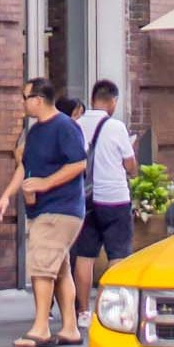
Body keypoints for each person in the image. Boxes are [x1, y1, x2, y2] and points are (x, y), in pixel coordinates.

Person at [0, 77, 86, 347]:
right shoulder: (35, 132)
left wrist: (45, 183)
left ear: (38, 99)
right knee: (60, 269)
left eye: (25, 97)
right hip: (45, 209)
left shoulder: (65, 127)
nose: (22, 103)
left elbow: (78, 163)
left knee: (41, 268)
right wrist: (6, 195)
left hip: (60, 208)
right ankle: (70, 328)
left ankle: (41, 328)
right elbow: (25, 167)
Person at [71, 79, 138, 329]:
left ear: (92, 99)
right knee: (117, 255)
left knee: (85, 256)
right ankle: (104, 308)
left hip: (85, 199)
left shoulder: (76, 125)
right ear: (112, 101)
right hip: (114, 199)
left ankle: (83, 312)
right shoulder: (116, 127)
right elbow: (130, 166)